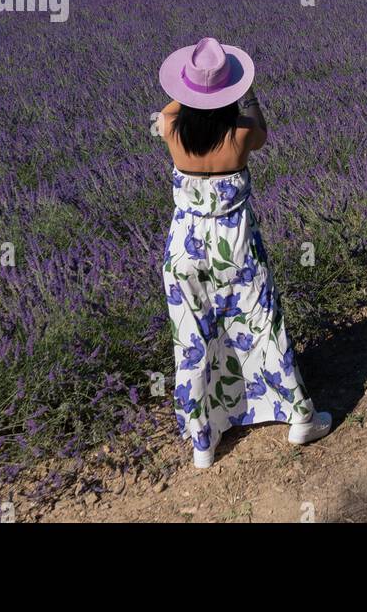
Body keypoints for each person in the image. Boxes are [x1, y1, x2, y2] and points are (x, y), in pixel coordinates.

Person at [156, 37, 331, 468]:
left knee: (192, 341)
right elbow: (260, 124)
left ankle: (202, 443)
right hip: (234, 248)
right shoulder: (241, 134)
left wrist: (195, 83)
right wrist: (243, 90)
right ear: (229, 94)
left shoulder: (169, 125)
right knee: (263, 326)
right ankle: (300, 418)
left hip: (182, 252)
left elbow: (176, 104)